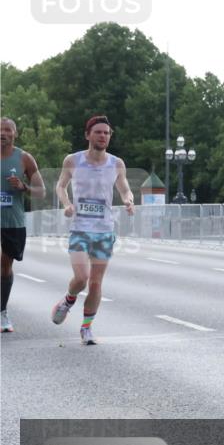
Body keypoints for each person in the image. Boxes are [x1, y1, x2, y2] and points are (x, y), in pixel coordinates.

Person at [51, 115, 135, 345]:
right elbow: (60, 185)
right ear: (88, 135)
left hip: (104, 230)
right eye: (98, 132)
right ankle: (68, 301)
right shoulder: (73, 160)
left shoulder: (116, 163)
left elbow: (125, 188)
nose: (103, 136)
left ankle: (86, 329)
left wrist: (128, 200)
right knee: (81, 278)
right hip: (80, 229)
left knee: (96, 283)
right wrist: (67, 204)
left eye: (106, 133)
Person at [1, 118, 46, 333]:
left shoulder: (24, 159)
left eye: (7, 130)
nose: (3, 133)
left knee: (5, 266)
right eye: (0, 130)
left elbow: (41, 191)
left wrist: (23, 187)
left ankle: (2, 312)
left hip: (13, 222)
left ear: (14, 134)